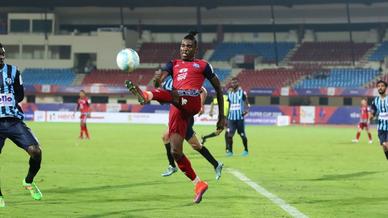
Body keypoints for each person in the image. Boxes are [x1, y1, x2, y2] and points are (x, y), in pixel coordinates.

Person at [125, 31, 225, 203]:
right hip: (177, 107)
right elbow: (160, 81)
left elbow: (218, 89)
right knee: (176, 151)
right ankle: (198, 184)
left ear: (195, 49)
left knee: (173, 94)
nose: (185, 49)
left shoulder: (202, 65)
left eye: (189, 46)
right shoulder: (173, 64)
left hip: (192, 100)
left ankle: (146, 96)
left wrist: (221, 117)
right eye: (182, 46)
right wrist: (157, 80)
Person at [0, 43, 43, 207]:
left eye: (2, 54)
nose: (0, 57)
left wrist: (7, 99)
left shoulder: (13, 71)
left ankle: (28, 181)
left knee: (36, 151)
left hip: (13, 121)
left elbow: (19, 95)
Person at [159, 77, 223, 180]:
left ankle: (172, 166)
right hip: (177, 116)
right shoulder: (167, 83)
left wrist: (201, 105)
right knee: (196, 145)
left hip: (185, 117)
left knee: (167, 137)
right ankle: (216, 164)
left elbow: (203, 91)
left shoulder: (183, 80)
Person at [225, 77, 250, 157]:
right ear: (231, 84)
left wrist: (246, 110)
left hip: (240, 118)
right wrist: (227, 116)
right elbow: (229, 105)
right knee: (229, 135)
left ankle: (246, 150)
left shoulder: (242, 92)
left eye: (235, 82)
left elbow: (247, 103)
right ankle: (230, 151)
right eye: (232, 82)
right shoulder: (230, 93)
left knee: (242, 134)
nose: (234, 84)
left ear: (238, 83)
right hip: (231, 118)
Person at [370, 80, 388, 159]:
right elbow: (373, 111)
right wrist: (371, 115)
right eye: (378, 86)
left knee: (387, 144)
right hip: (381, 127)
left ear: (386, 88)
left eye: (382, 86)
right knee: (384, 146)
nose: (380, 88)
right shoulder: (375, 100)